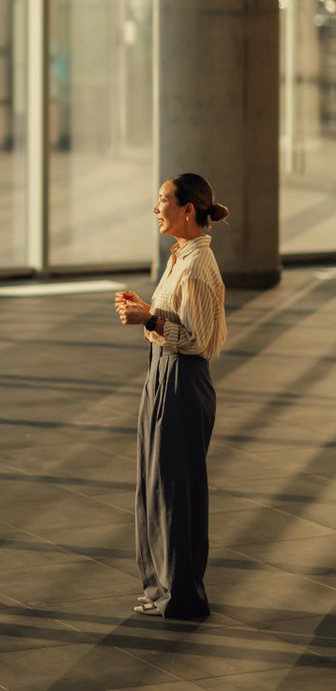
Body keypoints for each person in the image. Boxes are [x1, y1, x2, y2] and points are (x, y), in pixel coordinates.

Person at [115, 173, 228, 619]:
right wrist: (147, 311)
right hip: (163, 373)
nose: (155, 208)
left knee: (175, 489)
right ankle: (163, 587)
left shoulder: (198, 265)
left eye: (162, 200)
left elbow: (199, 342)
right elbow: (178, 322)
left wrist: (148, 319)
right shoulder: (181, 255)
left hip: (182, 379)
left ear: (187, 210)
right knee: (157, 484)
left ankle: (182, 595)